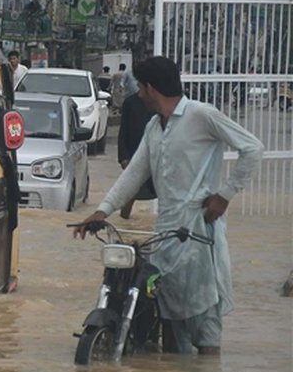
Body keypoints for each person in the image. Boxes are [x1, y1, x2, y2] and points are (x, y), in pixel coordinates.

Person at [73, 56, 264, 356]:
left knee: (204, 325)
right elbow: (135, 173)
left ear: (150, 88)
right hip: (165, 233)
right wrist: (102, 210)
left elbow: (252, 148)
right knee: (168, 323)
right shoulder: (154, 126)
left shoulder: (202, 115)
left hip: (199, 230)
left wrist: (224, 195)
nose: (138, 94)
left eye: (140, 88)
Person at [116, 90, 156, 219]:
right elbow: (123, 130)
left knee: (164, 195)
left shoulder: (160, 103)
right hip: (134, 155)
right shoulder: (130, 102)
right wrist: (123, 157)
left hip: (157, 157)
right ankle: (123, 223)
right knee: (129, 195)